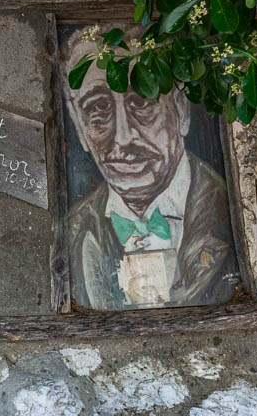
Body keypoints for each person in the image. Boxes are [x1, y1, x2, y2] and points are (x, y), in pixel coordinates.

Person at [62, 26, 239, 310]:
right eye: (98, 109)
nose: (123, 138)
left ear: (181, 108)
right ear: (79, 126)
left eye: (141, 101)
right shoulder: (73, 233)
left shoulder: (238, 209)